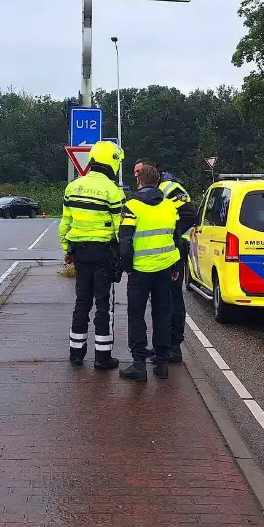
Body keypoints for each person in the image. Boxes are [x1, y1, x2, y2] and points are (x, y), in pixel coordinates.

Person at [59, 140, 126, 369]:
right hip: (102, 253)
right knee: (103, 304)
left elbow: (65, 224)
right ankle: (102, 357)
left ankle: (76, 354)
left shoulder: (73, 187)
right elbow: (120, 228)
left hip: (79, 252)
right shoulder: (112, 191)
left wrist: (67, 250)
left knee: (82, 302)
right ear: (111, 162)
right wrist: (122, 256)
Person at [117, 164, 186, 381]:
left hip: (140, 271)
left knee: (136, 315)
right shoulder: (170, 206)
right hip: (165, 268)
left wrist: (126, 267)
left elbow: (125, 241)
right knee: (162, 314)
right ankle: (162, 364)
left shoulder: (131, 207)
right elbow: (176, 239)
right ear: (157, 182)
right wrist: (175, 267)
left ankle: (139, 365)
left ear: (139, 181)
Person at [133, 159, 195, 364]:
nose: (136, 176)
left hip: (173, 252)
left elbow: (189, 214)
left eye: (139, 171)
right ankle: (165, 346)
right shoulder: (155, 191)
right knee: (164, 302)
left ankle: (174, 347)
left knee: (172, 300)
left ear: (152, 171)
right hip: (164, 252)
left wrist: (171, 236)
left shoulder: (168, 187)